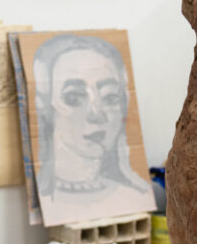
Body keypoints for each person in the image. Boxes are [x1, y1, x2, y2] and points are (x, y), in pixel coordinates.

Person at [31, 34, 152, 222]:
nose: (96, 114)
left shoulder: (137, 198)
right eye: (74, 97)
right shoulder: (45, 202)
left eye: (110, 97)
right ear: (44, 105)